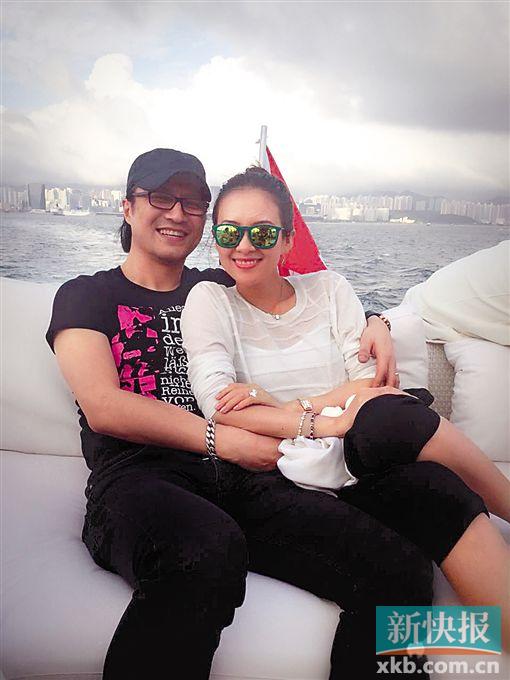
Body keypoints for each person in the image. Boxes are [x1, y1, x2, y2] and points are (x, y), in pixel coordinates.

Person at [43, 148, 454, 679]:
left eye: (193, 203)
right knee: (205, 550)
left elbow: (305, 295)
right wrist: (222, 440)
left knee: (401, 572)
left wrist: (378, 321)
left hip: (247, 480)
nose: (177, 213)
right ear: (127, 207)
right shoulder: (86, 294)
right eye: (161, 197)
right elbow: (104, 407)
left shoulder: (218, 287)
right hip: (139, 478)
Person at [180, 166, 510, 650]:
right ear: (216, 238)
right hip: (277, 473)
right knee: (391, 423)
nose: (244, 245)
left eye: (263, 233)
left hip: (357, 459)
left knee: (438, 488)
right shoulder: (210, 301)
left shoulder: (329, 289)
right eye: (229, 232)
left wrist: (295, 406)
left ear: (288, 240)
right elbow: (220, 405)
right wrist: (329, 421)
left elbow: (367, 385)